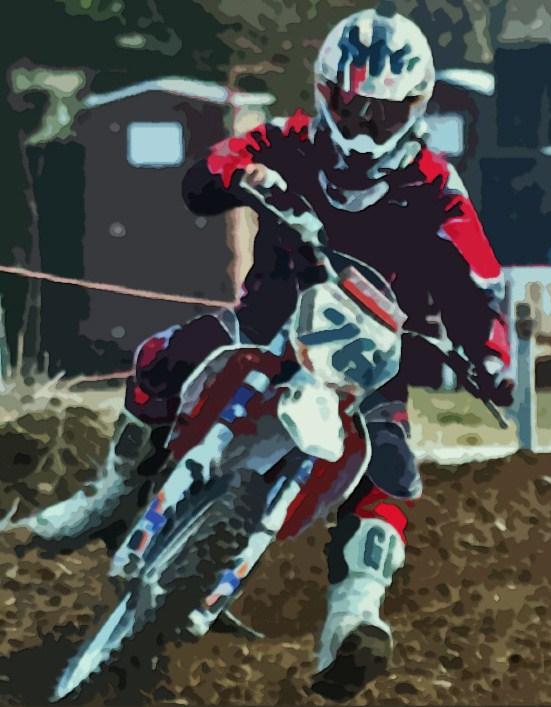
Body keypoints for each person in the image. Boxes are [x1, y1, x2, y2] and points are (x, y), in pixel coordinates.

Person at [33, 5, 513, 700]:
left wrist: (488, 359)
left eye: (383, 112)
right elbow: (208, 173)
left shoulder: (439, 192)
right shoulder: (288, 140)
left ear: (416, 106)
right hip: (266, 322)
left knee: (390, 469)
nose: (364, 125)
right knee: (162, 355)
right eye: (352, 106)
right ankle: (110, 492)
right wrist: (241, 175)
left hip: (366, 367)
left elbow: (479, 285)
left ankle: (353, 617)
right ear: (325, 93)